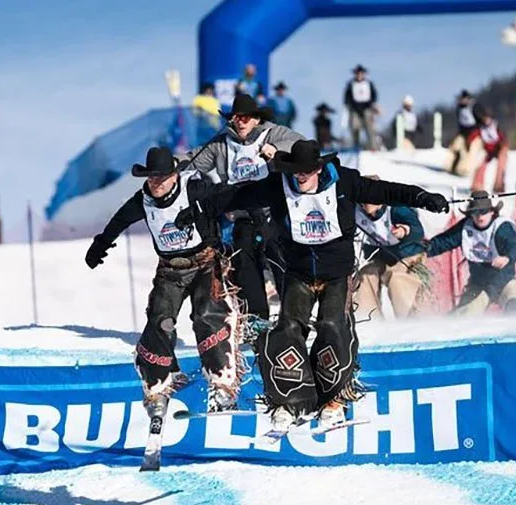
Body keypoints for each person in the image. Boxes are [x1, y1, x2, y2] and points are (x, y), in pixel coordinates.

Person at [186, 140, 449, 431]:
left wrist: (423, 197)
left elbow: (386, 190)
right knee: (288, 329)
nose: (301, 176)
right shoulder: (279, 186)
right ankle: (291, 400)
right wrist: (201, 208)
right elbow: (240, 195)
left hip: (336, 273)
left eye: (307, 171)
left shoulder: (344, 182)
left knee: (332, 326)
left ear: (319, 169)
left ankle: (333, 399)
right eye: (296, 171)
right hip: (298, 272)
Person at [85, 146, 244, 415]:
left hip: (205, 264)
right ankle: (159, 384)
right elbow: (119, 221)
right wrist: (101, 244)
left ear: (174, 175)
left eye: (161, 177)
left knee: (207, 316)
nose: (156, 183)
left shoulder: (194, 189)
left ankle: (222, 386)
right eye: (151, 178)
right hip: (170, 270)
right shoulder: (143, 200)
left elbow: (230, 196)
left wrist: (202, 211)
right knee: (160, 321)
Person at [185, 93, 305, 325]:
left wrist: (276, 149)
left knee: (282, 264)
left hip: (273, 213)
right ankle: (257, 321)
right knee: (245, 267)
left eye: (246, 117)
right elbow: (193, 160)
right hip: (241, 214)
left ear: (256, 119)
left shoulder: (273, 133)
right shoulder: (221, 144)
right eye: (236, 117)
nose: (241, 122)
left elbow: (300, 144)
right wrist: (172, 164)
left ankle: (294, 319)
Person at [425, 190, 516, 315]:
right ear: (470, 214)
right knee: (463, 314)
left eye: (483, 212)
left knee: (514, 307)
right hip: (479, 284)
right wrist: (421, 250)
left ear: (492, 212)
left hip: (504, 281)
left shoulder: (502, 227)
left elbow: (514, 246)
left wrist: (507, 258)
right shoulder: (466, 228)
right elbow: (442, 242)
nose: (480, 217)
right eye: (475, 212)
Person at [353, 181, 430, 319]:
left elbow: (418, 231)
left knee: (397, 280)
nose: (366, 203)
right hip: (381, 258)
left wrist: (404, 231)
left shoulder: (396, 209)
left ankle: (410, 320)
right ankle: (369, 319)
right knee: (365, 276)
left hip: (407, 256)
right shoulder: (356, 211)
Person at [467, 109, 508, 192]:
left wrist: (503, 146)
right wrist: (469, 143)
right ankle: (477, 185)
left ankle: (499, 185)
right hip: (487, 151)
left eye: (487, 118)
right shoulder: (480, 129)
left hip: (498, 149)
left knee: (501, 163)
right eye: (484, 118)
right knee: (481, 164)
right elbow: (473, 136)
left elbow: (503, 138)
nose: (486, 120)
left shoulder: (495, 126)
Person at [343, 65, 379, 151]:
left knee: (370, 128)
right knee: (355, 128)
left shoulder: (369, 83)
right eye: (357, 73)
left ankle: (373, 147)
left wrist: (371, 105)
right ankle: (356, 146)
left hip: (367, 108)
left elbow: (374, 95)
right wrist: (351, 106)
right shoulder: (351, 84)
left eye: (361, 73)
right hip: (355, 109)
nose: (359, 75)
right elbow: (347, 97)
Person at [449, 90, 484, 176]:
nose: (461, 100)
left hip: (474, 132)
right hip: (462, 132)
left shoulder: (474, 106)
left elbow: (481, 119)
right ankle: (452, 167)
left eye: (463, 99)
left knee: (471, 151)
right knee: (455, 148)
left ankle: (465, 170)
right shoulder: (459, 108)